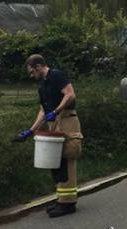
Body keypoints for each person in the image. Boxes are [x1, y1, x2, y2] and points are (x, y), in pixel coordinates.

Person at [16, 54, 84, 217]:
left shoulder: (56, 76)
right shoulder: (43, 87)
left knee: (67, 157)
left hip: (66, 119)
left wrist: (56, 111)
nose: (32, 76)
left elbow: (70, 94)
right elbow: (42, 111)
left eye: (32, 72)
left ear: (38, 66)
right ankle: (61, 199)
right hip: (53, 122)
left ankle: (68, 203)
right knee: (56, 162)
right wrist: (31, 130)